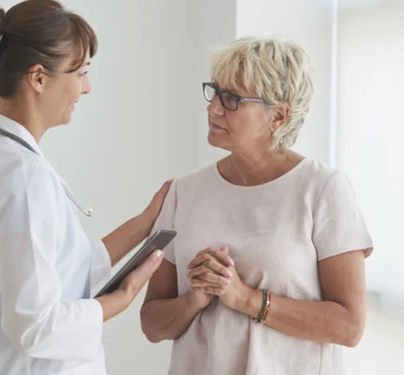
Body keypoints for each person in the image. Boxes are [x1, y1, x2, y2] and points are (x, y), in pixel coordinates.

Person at [0, 1, 170, 375]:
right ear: (39, 78)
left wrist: (146, 222)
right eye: (80, 72)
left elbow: (63, 272)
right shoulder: (21, 175)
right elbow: (35, 325)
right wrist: (121, 299)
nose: (87, 87)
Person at [140, 36, 373, 375]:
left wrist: (245, 298)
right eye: (215, 92)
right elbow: (151, 325)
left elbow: (350, 327)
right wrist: (195, 298)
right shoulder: (183, 191)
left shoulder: (324, 189)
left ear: (278, 116)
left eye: (232, 99)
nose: (213, 108)